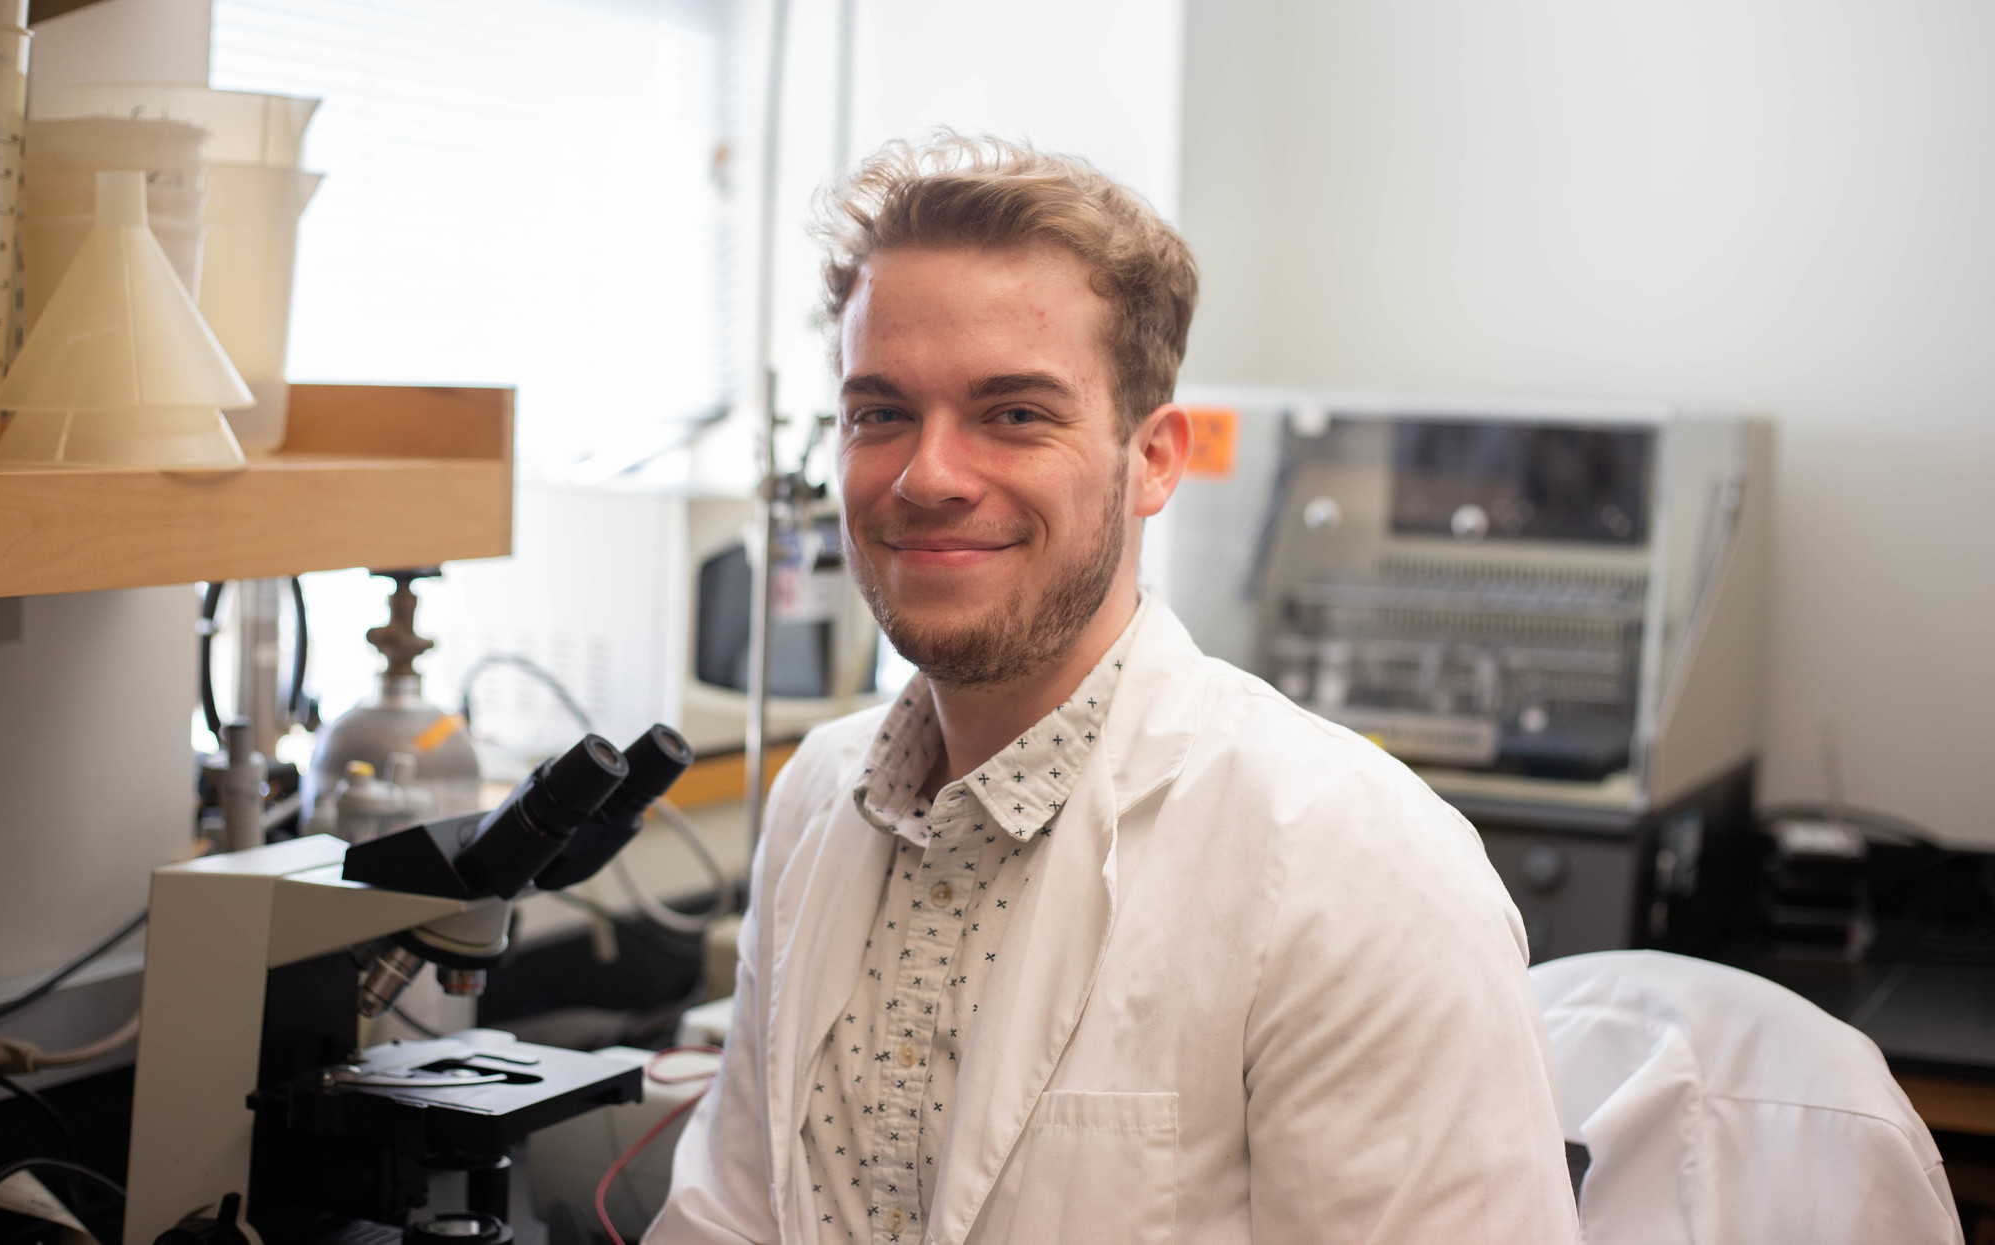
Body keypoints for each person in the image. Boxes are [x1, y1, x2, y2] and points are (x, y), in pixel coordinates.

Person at [646, 136, 1579, 1244]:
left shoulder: (1351, 862)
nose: (927, 476)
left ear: (1153, 460)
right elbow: (727, 1217)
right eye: (880, 412)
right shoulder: (816, 797)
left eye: (1015, 414)